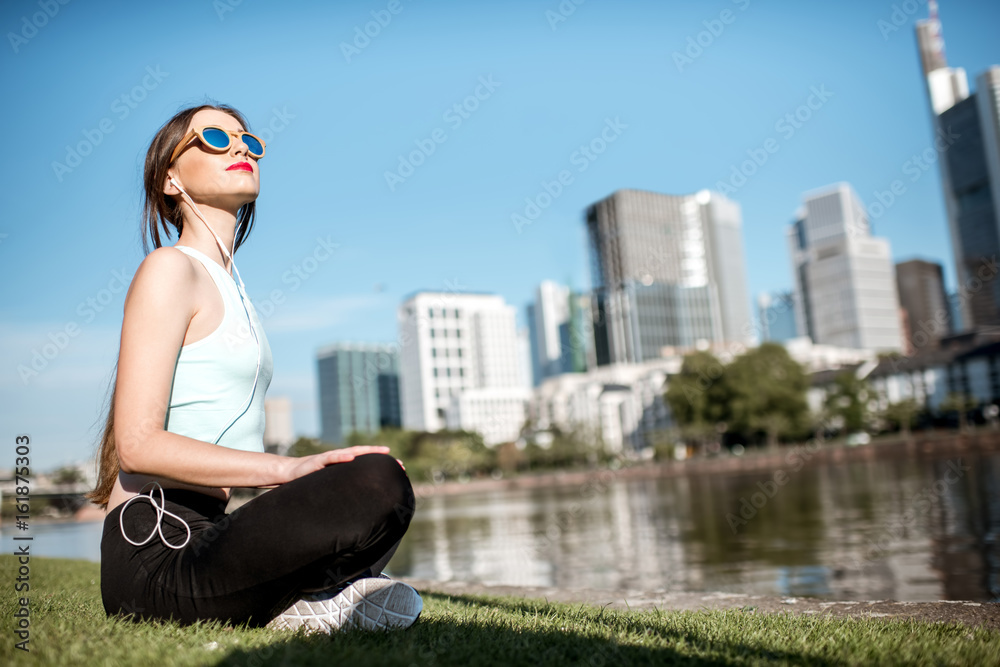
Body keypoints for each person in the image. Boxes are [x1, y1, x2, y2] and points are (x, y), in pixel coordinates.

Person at [86, 103, 421, 634]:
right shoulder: (169, 269)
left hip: (212, 531)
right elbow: (137, 445)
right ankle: (313, 599)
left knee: (386, 478)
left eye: (247, 140)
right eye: (215, 138)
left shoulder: (233, 286)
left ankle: (301, 602)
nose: (240, 146)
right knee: (374, 481)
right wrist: (287, 470)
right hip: (156, 550)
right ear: (170, 177)